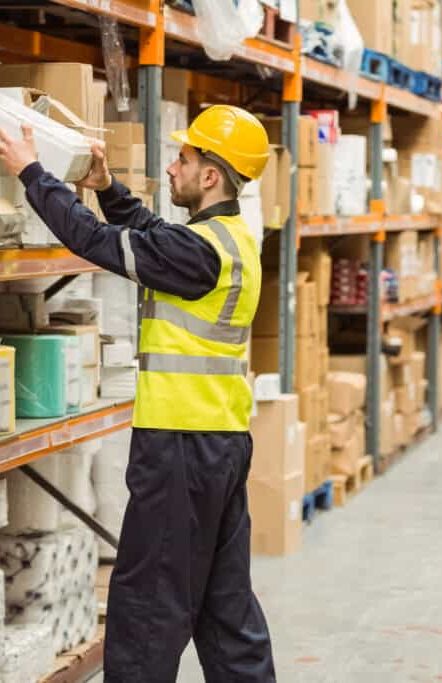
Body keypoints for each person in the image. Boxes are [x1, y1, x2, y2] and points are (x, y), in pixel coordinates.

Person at [0, 106, 277, 681]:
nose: (173, 166)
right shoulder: (227, 239)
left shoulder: (199, 252)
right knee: (226, 608)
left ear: (210, 176)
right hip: (218, 443)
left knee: (149, 607)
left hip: (181, 448)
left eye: (185, 157)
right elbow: (151, 233)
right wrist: (106, 186)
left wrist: (32, 173)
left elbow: (96, 242)